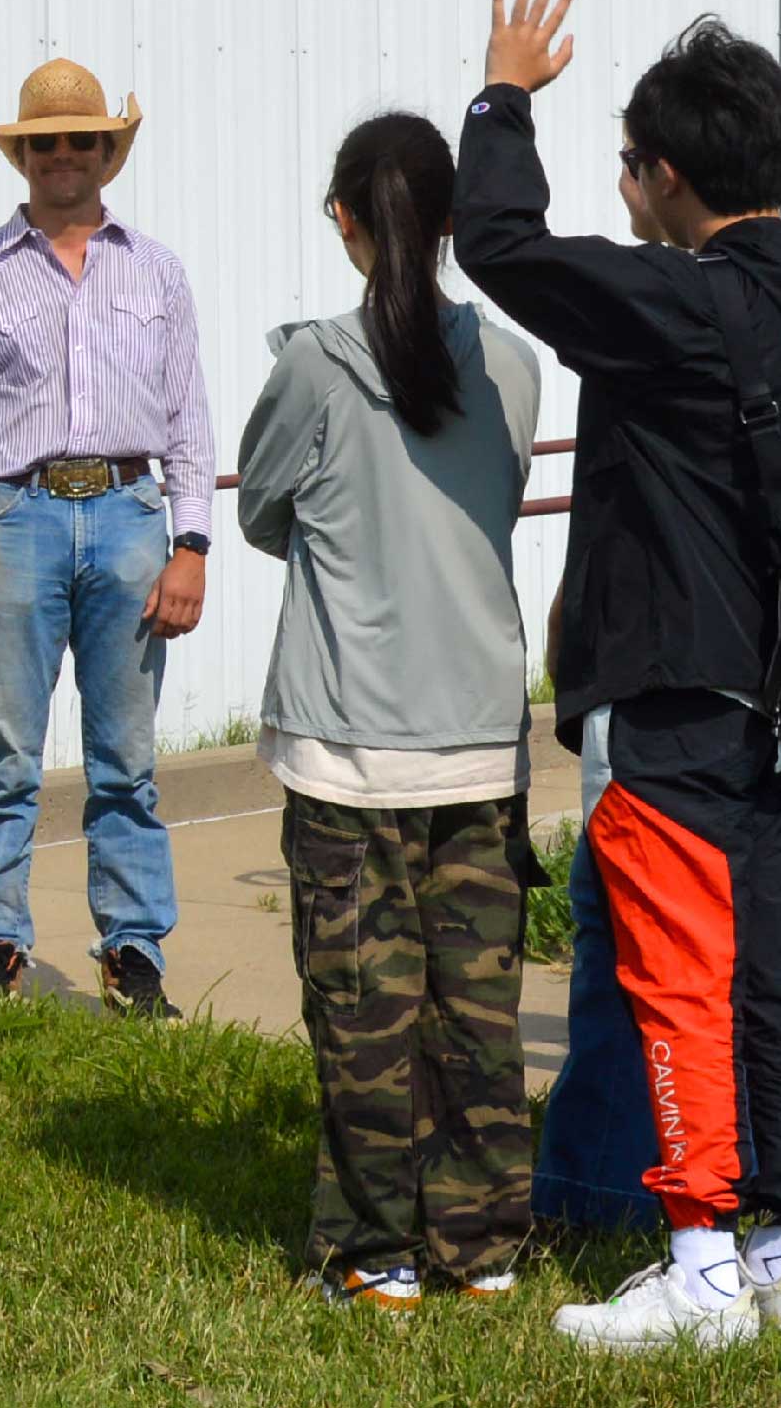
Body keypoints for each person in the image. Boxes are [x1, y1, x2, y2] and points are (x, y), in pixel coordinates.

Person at [454, 0, 781, 1352]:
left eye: (626, 164)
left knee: (676, 973)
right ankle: (779, 1249)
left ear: (670, 174)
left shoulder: (684, 303)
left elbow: (500, 244)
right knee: (777, 971)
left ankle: (695, 1264)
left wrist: (501, 93)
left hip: (680, 695)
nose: (618, 188)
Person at [236, 112, 543, 1309]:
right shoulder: (510, 360)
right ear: (455, 220)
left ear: (341, 219)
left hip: (348, 742)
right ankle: (481, 1244)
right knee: (477, 1011)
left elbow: (265, 508)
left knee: (364, 1009)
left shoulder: (315, 362)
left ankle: (373, 1250)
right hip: (476, 730)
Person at [0, 57, 213, 1017]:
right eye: (45, 142)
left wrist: (192, 543)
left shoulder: (157, 268)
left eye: (81, 140)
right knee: (7, 751)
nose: (63, 157)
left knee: (125, 757)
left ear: (107, 153)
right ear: (22, 154)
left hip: (130, 516)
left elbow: (187, 419)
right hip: (16, 515)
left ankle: (133, 954)